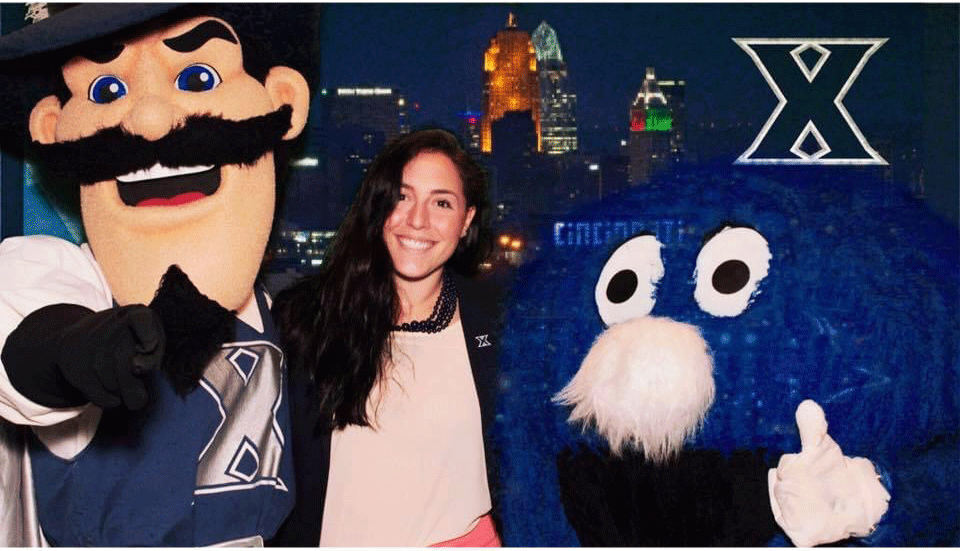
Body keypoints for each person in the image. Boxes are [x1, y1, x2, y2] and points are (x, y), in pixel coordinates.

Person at [0, 4, 314, 546]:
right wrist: (82, 349)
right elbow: (25, 338)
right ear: (53, 128)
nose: (149, 119)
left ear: (282, 99)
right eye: (106, 92)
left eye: (198, 78)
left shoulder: (273, 307)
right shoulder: (65, 274)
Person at [270, 129, 502, 547]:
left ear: (466, 221)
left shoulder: (498, 322)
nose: (418, 220)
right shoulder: (304, 320)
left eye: (442, 203)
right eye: (402, 195)